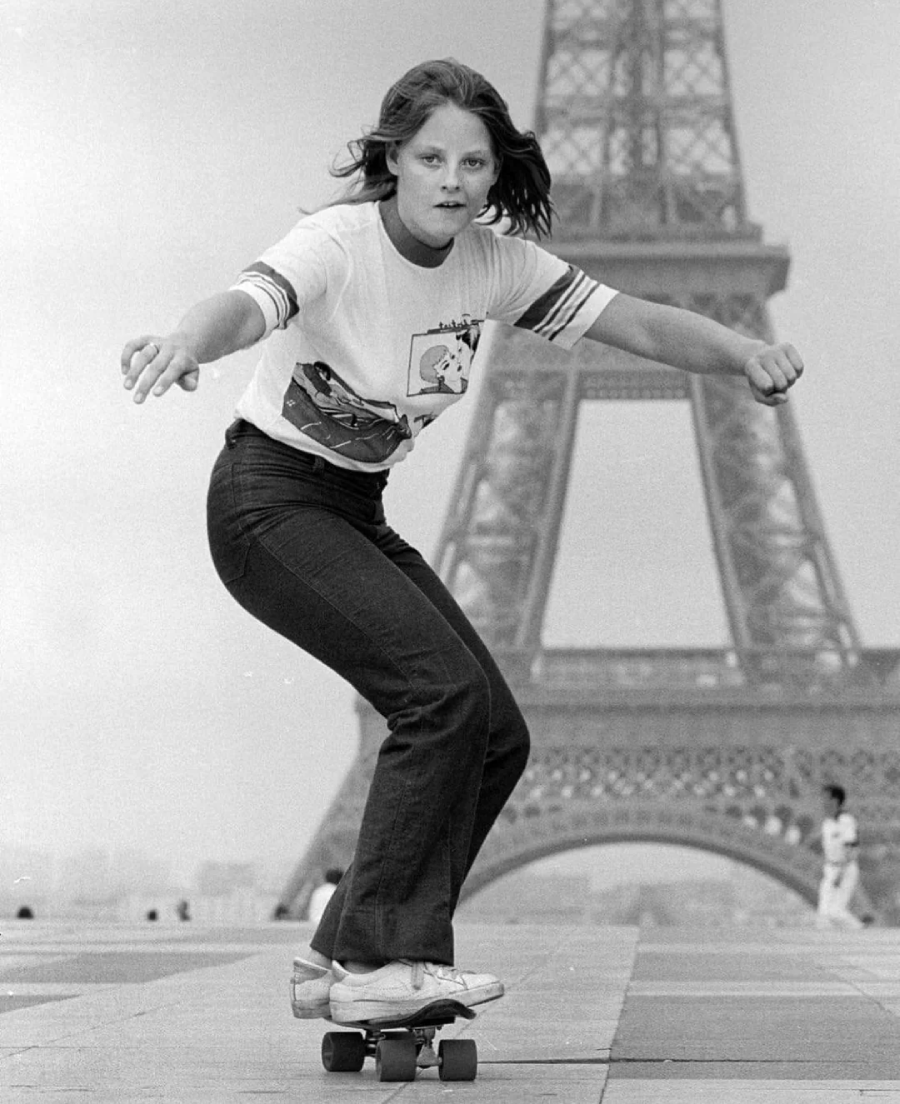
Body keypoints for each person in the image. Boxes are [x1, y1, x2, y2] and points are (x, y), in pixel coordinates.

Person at [120, 58, 803, 1025]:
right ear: (394, 158)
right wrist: (187, 343)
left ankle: (334, 953)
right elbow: (247, 304)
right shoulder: (338, 244)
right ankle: (381, 960)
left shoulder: (495, 264)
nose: (452, 180)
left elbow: (639, 323)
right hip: (266, 503)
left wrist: (743, 352)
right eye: (432, 158)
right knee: (438, 694)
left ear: (495, 173)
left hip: (353, 508)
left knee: (496, 734)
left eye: (473, 164)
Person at [816, 784, 864, 930]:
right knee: (823, 913)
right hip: (830, 868)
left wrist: (841, 873)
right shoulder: (827, 823)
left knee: (836, 912)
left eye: (825, 798)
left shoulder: (846, 820)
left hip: (844, 869)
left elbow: (852, 848)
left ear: (835, 800)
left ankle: (860, 930)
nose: (822, 801)